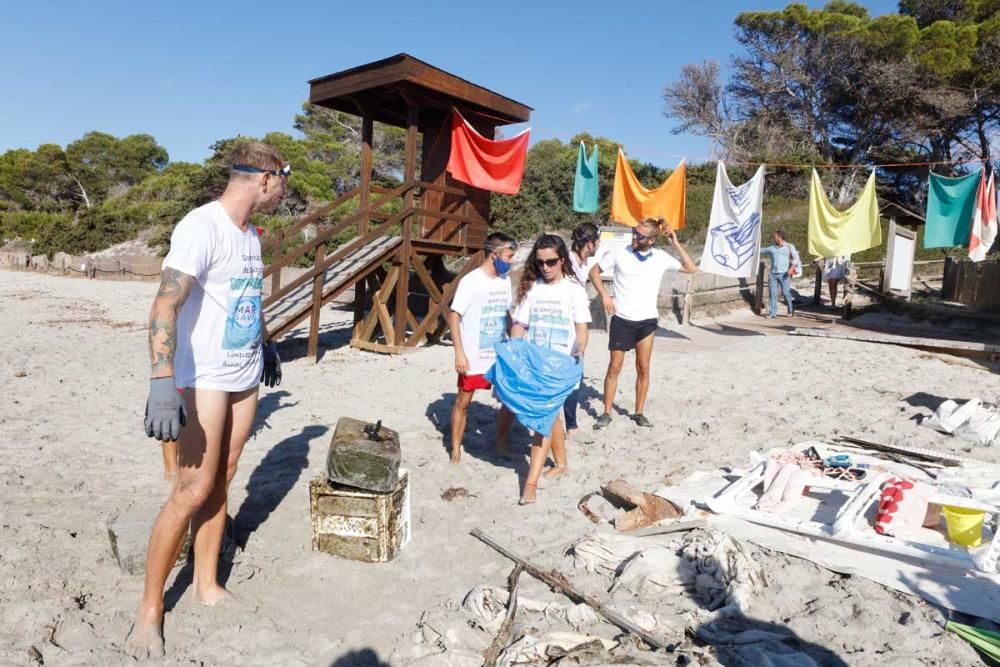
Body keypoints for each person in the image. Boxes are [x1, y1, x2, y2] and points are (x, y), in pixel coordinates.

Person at [126, 143, 286, 658]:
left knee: (226, 473)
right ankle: (150, 610)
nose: (283, 190)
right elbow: (164, 305)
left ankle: (205, 582)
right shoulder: (202, 226)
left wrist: (263, 341)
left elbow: (241, 295)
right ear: (263, 179)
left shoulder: (251, 234)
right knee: (193, 487)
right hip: (204, 378)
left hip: (243, 374)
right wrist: (161, 381)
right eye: (282, 180)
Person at [589, 218, 696, 430]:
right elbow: (594, 272)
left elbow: (691, 268)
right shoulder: (621, 253)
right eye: (633, 232)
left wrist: (674, 242)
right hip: (622, 319)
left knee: (644, 368)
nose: (634, 237)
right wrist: (605, 296)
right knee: (614, 367)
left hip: (647, 320)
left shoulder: (660, 257)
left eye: (639, 235)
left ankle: (639, 412)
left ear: (652, 240)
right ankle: (607, 412)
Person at [511, 234, 591, 503]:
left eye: (551, 262)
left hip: (561, 366)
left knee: (542, 421)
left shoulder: (574, 290)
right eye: (541, 262)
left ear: (562, 260)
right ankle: (562, 464)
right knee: (550, 416)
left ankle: (530, 484)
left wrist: (577, 352)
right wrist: (513, 350)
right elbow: (520, 325)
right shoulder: (532, 288)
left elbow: (581, 330)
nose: (545, 267)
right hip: (534, 365)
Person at [447, 232, 517, 464]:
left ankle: (500, 442)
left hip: (498, 353)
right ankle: (456, 447)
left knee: (508, 400)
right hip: (473, 354)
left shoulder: (505, 281)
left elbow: (506, 313)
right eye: (509, 256)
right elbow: (454, 315)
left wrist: (513, 344)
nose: (511, 261)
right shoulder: (471, 281)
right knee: (464, 401)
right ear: (494, 254)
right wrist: (459, 352)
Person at [563, 223, 601, 438]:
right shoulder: (567, 263)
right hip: (562, 325)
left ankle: (571, 424)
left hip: (576, 326)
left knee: (575, 375)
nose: (599, 244)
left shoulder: (584, 262)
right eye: (597, 241)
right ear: (589, 243)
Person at [759, 229, 803, 318]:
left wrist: (791, 268)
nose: (774, 238)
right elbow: (761, 250)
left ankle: (791, 310)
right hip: (773, 274)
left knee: (786, 292)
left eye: (775, 236)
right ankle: (772, 313)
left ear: (780, 237)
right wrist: (752, 246)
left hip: (784, 274)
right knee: (772, 293)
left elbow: (796, 258)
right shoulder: (772, 248)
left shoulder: (789, 247)